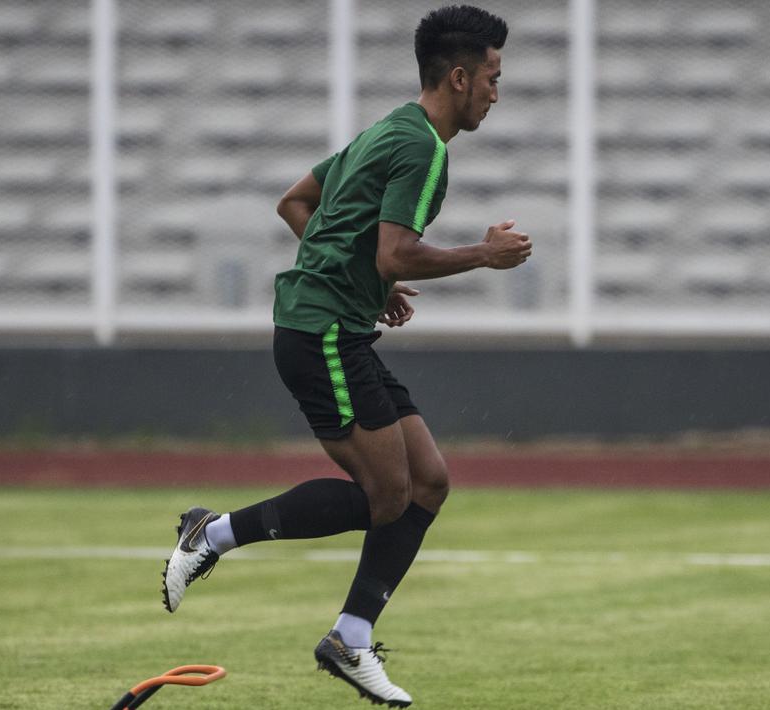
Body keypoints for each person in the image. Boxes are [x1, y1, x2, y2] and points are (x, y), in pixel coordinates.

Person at [160, 5, 529, 707]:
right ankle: (214, 534)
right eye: (492, 77)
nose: (495, 93)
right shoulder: (423, 149)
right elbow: (394, 251)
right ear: (458, 77)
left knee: (428, 482)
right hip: (321, 331)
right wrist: (482, 254)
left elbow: (295, 202)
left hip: (333, 327)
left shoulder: (388, 129)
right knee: (387, 494)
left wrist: (366, 282)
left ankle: (350, 636)